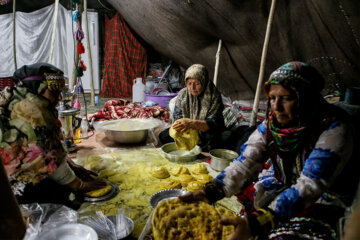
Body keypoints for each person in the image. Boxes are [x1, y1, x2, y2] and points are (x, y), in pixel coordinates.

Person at [180, 61, 359, 239]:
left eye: (286, 98)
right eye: (273, 98)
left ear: (306, 97)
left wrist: (257, 223)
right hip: (289, 185)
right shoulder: (274, 125)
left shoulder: (334, 129)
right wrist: (210, 191)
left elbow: (311, 185)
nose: (276, 107)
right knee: (246, 202)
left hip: (326, 196)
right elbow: (245, 163)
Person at [0, 62, 106, 208]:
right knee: (69, 199)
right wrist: (80, 185)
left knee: (70, 176)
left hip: (16, 170)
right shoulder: (31, 111)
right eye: (54, 91)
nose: (59, 98)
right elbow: (45, 155)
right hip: (10, 186)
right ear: (38, 87)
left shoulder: (20, 97)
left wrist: (70, 163)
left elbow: (49, 145)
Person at [159, 63, 228, 151]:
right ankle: (198, 147)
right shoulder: (183, 94)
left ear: (204, 81)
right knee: (164, 136)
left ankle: (203, 148)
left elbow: (214, 123)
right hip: (188, 131)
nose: (192, 88)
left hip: (207, 132)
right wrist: (182, 127)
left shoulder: (214, 95)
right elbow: (178, 117)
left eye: (197, 84)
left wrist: (193, 123)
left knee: (226, 136)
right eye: (189, 83)